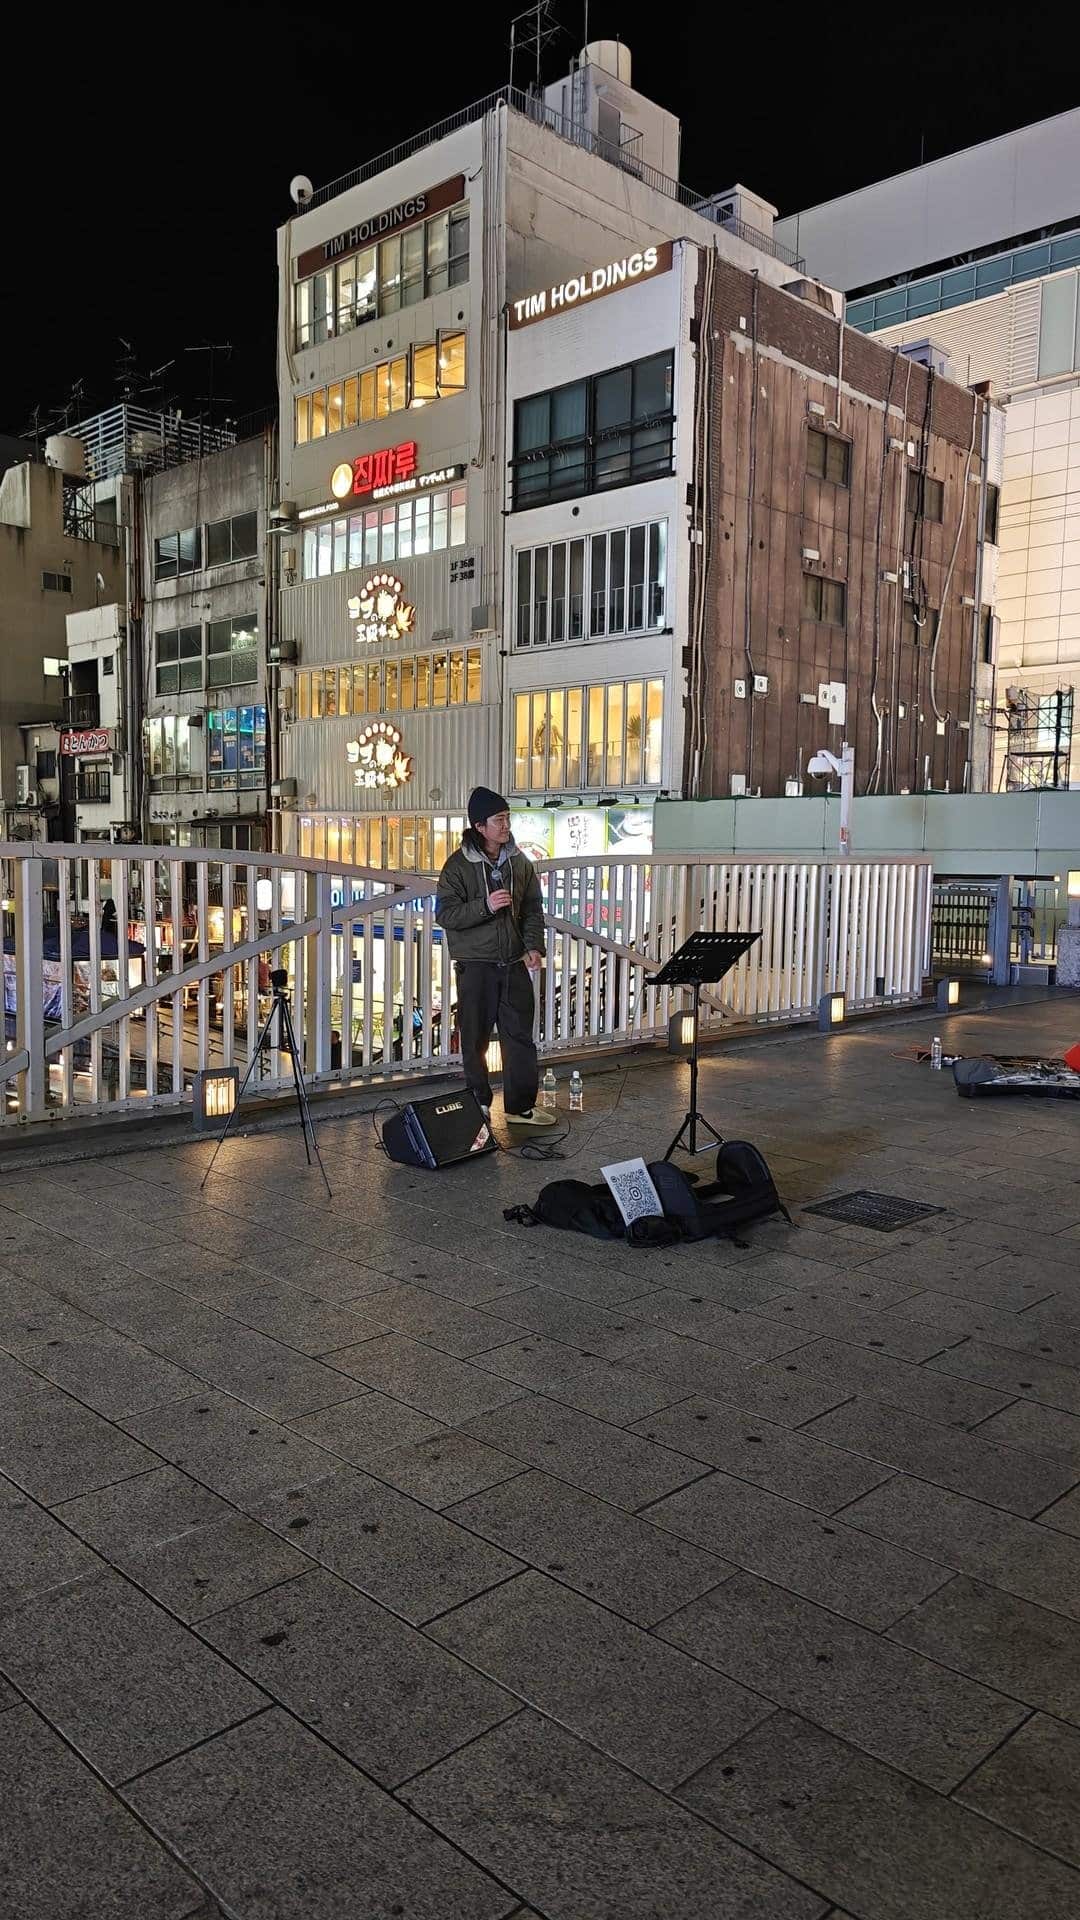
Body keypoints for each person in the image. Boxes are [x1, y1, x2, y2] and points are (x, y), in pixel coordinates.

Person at [436, 787, 556, 1126]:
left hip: (514, 963)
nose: (505, 826)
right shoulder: (457, 866)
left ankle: (520, 1108)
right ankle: (479, 1103)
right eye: (498, 820)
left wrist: (533, 947)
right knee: (474, 1040)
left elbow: (533, 908)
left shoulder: (519, 862)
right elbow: (445, 915)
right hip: (476, 967)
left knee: (519, 1038)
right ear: (479, 826)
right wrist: (485, 907)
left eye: (507, 819)